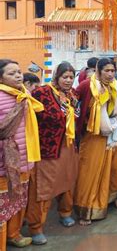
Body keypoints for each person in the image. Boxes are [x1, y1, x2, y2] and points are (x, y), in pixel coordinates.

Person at [25, 62, 79, 245]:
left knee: (67, 181)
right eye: (65, 77)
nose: (68, 80)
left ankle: (65, 213)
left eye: (71, 77)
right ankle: (36, 226)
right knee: (43, 188)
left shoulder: (71, 95)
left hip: (68, 146)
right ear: (56, 77)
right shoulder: (42, 93)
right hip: (48, 148)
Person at [74, 58, 117, 225]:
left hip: (115, 131)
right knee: (92, 170)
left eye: (113, 71)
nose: (110, 74)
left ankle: (110, 199)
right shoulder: (86, 85)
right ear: (98, 71)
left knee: (114, 168)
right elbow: (75, 106)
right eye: (107, 71)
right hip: (94, 134)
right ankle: (87, 208)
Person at [0, 59, 43, 248]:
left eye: (19, 72)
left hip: (25, 156)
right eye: (12, 73)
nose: (18, 75)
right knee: (3, 202)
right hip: (4, 159)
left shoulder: (24, 95)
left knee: (18, 199)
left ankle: (14, 234)